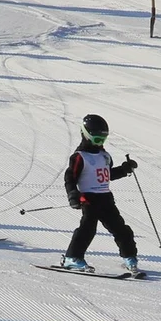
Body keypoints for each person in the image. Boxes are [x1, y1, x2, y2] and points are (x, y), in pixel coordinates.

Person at [60, 114, 141, 274]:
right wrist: (73, 195)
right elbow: (70, 177)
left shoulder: (105, 156)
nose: (100, 143)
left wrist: (124, 170)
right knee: (87, 229)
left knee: (121, 229)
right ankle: (72, 257)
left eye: (102, 139)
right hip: (89, 199)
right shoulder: (79, 157)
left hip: (106, 199)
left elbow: (107, 174)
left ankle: (130, 257)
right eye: (97, 139)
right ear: (86, 135)